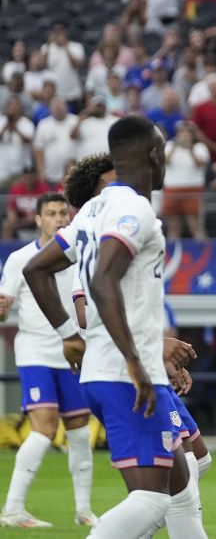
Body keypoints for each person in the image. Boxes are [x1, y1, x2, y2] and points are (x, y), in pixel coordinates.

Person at [65, 117, 205, 536]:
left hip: (138, 368)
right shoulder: (115, 216)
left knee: (189, 476)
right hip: (124, 373)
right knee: (156, 497)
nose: (119, 186)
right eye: (111, 181)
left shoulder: (111, 221)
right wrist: (143, 353)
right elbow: (92, 304)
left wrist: (154, 350)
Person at [0, 192, 96, 528]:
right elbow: (4, 307)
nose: (58, 218)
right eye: (51, 213)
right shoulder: (19, 259)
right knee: (43, 427)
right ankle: (12, 508)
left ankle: (83, 511)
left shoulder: (79, 256)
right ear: (38, 219)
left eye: (62, 213)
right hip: (36, 353)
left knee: (81, 433)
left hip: (71, 354)